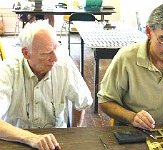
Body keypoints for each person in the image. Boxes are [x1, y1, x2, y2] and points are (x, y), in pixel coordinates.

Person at [98, 2, 163, 135]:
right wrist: (132, 117)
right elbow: (105, 102)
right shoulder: (126, 57)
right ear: (148, 31)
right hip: (132, 129)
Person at [0, 20, 93, 149]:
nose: (55, 58)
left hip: (56, 143)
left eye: (56, 48)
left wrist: (74, 132)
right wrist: (31, 138)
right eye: (47, 53)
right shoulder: (7, 71)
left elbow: (82, 102)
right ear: (26, 53)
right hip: (16, 141)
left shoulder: (64, 66)